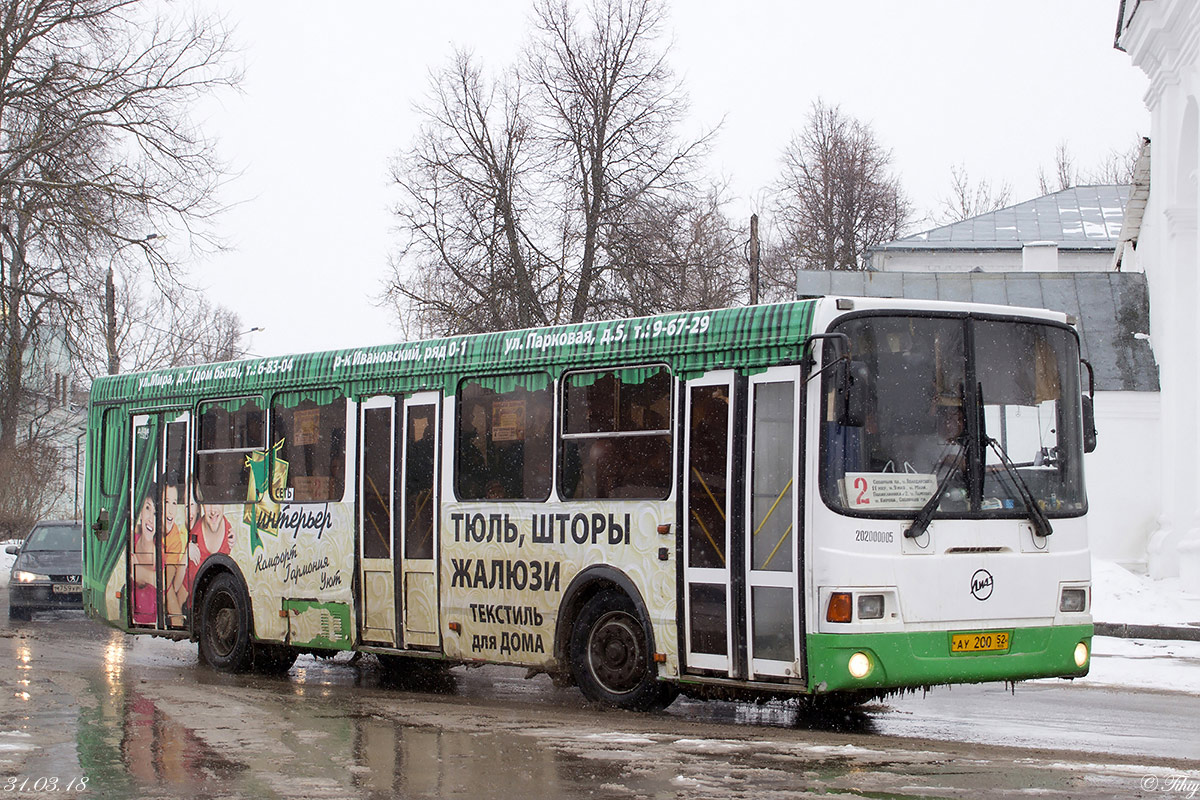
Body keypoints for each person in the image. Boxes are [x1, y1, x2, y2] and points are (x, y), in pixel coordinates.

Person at [131, 484, 158, 626]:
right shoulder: (130, 541)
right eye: (147, 508)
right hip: (136, 619)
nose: (151, 518)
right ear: (140, 512)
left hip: (153, 619)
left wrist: (141, 572)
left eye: (155, 512)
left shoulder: (162, 552)